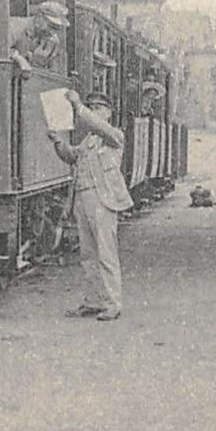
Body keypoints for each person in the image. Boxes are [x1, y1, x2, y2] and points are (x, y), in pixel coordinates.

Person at [48, 91, 132, 321]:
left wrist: (79, 107)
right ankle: (94, 301)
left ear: (108, 113)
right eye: (91, 107)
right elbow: (72, 156)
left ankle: (113, 303)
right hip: (84, 199)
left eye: (98, 108)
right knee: (88, 254)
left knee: (106, 253)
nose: (94, 112)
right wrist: (58, 141)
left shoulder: (114, 135)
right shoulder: (89, 141)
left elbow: (98, 126)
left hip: (102, 200)